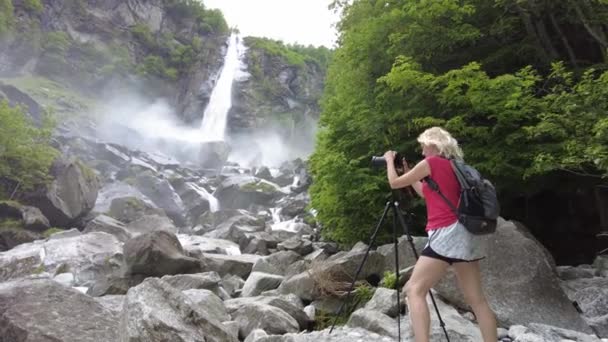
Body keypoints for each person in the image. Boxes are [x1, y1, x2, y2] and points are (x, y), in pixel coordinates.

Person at [383, 126, 497, 342]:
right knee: (477, 300)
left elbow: (394, 183)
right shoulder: (456, 167)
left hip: (446, 234)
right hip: (467, 235)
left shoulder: (432, 163)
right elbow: (427, 194)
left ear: (433, 145)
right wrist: (409, 173)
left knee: (414, 290)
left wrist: (389, 161)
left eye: (424, 147)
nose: (422, 152)